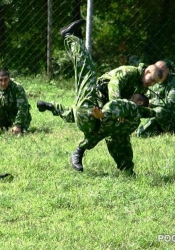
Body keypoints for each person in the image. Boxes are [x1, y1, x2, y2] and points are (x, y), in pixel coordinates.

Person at [58, 19, 162, 175]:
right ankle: (69, 37)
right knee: (88, 69)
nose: (151, 84)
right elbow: (114, 85)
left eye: (155, 83)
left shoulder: (142, 87)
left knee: (120, 135)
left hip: (112, 109)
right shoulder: (129, 72)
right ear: (147, 71)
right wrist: (116, 110)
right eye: (152, 80)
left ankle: (127, 169)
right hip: (97, 95)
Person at [136, 60, 175, 137]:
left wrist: (151, 102)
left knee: (159, 111)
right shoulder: (154, 82)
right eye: (157, 70)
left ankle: (171, 132)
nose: (159, 73)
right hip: (157, 115)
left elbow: (172, 102)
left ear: (167, 70)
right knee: (141, 134)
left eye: (162, 71)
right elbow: (146, 98)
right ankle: (160, 130)